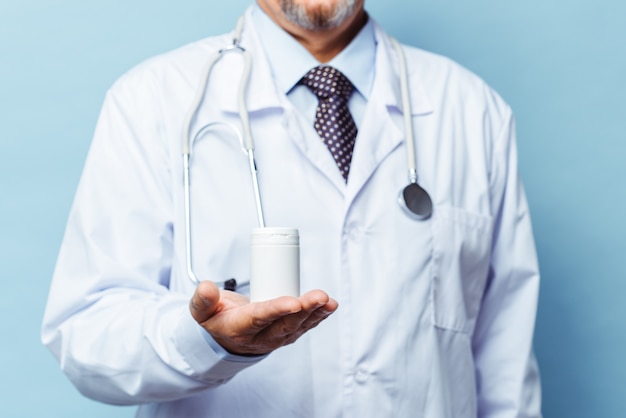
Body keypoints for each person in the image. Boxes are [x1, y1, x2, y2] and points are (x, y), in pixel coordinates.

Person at [42, 0, 542, 416]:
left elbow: (506, 363)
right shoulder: (153, 102)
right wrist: (211, 344)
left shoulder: (473, 111)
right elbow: (87, 337)